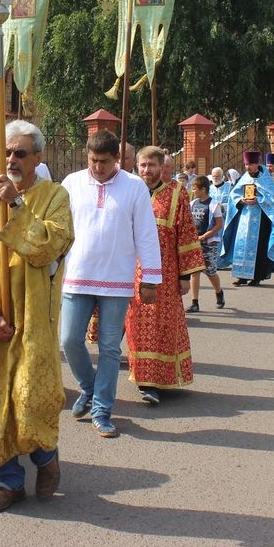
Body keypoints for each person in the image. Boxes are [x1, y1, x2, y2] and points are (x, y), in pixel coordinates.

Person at [0, 120, 73, 513]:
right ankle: (8, 483)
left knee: (31, 396)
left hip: (35, 317)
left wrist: (19, 207)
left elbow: (48, 247)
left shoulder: (55, 196)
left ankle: (45, 458)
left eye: (20, 153)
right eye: (7, 152)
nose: (11, 160)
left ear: (38, 158)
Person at [60, 130, 161, 439]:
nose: (98, 167)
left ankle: (102, 409)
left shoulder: (134, 188)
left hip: (117, 280)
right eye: (93, 160)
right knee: (69, 340)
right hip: (77, 276)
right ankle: (89, 387)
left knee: (108, 348)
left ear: (117, 159)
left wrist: (151, 278)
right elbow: (60, 229)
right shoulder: (71, 183)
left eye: (104, 161)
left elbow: (146, 234)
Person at [128, 146, 203, 405]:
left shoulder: (176, 193)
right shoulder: (129, 190)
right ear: (137, 166)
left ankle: (164, 378)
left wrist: (186, 275)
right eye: (143, 165)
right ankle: (145, 380)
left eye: (152, 165)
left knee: (164, 325)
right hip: (133, 273)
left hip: (167, 272)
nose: (147, 170)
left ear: (162, 167)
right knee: (138, 325)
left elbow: (187, 234)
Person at [220, 151, 274, 286]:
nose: (248, 167)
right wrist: (242, 200)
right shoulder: (244, 178)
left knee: (258, 248)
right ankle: (241, 276)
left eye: (250, 164)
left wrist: (258, 199)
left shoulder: (265, 179)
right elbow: (233, 195)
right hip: (244, 219)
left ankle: (257, 277)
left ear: (257, 164)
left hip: (261, 219)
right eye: (246, 164)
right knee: (241, 245)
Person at [187, 175, 225, 312]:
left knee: (210, 272)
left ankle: (219, 292)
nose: (193, 191)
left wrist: (205, 236)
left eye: (195, 188)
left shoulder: (213, 204)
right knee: (195, 272)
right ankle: (194, 302)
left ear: (203, 189)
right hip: (195, 242)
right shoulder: (193, 204)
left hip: (209, 243)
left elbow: (219, 224)